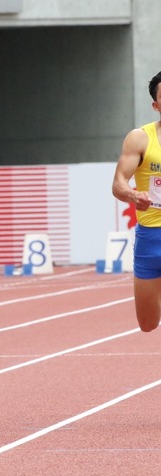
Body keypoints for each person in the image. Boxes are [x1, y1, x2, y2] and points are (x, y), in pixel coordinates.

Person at [112, 70, 161, 333]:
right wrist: (133, 195)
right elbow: (118, 184)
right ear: (156, 105)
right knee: (147, 323)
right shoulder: (140, 138)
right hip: (151, 239)